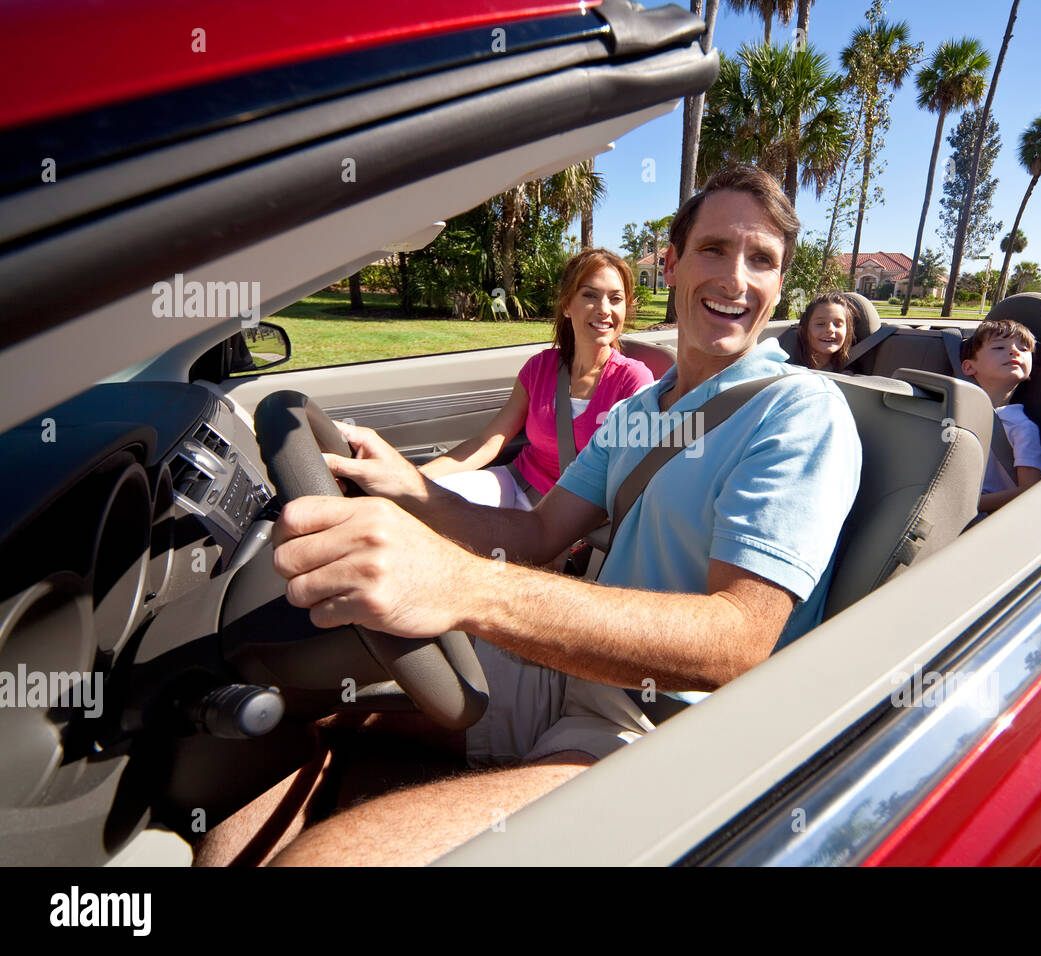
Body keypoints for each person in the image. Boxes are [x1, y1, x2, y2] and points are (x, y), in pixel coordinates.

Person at [212, 165, 861, 866]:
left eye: (762, 259)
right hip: (567, 667)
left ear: (780, 283)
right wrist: (407, 487)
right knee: (301, 705)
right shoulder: (644, 411)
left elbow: (736, 641)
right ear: (671, 264)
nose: (736, 278)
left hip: (657, 724)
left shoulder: (798, 413)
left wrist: (464, 587)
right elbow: (536, 533)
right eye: (714, 250)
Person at [416, 248, 654, 511]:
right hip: (517, 483)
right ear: (566, 305)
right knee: (426, 505)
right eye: (590, 295)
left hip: (574, 514)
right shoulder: (540, 367)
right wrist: (416, 479)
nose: (604, 310)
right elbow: (488, 442)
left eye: (616, 299)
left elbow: (629, 479)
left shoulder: (633, 380)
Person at [959, 318, 1041, 513]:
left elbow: (1029, 490)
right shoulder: (954, 412)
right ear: (969, 367)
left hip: (984, 516)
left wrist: (969, 506)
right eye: (999, 348)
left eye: (1024, 349)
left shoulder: (1021, 427)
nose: (1015, 351)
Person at [790, 291, 857, 371]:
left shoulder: (851, 373)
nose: (830, 329)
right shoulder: (788, 366)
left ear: (848, 331)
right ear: (803, 331)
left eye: (838, 324)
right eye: (820, 324)